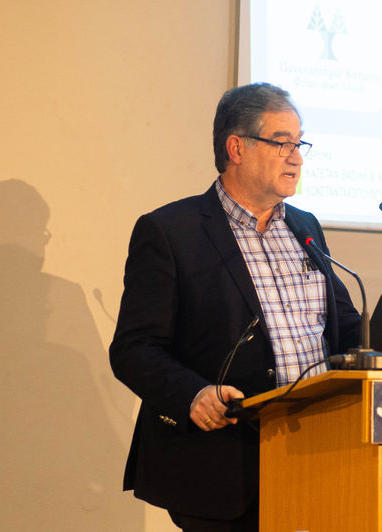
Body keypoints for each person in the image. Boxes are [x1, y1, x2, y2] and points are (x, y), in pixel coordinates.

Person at [109, 82, 360, 531]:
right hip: (223, 467)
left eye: (299, 143)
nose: (297, 158)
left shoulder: (305, 228)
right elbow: (134, 349)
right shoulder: (171, 231)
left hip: (316, 454)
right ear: (236, 148)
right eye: (282, 143)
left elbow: (343, 328)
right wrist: (193, 394)